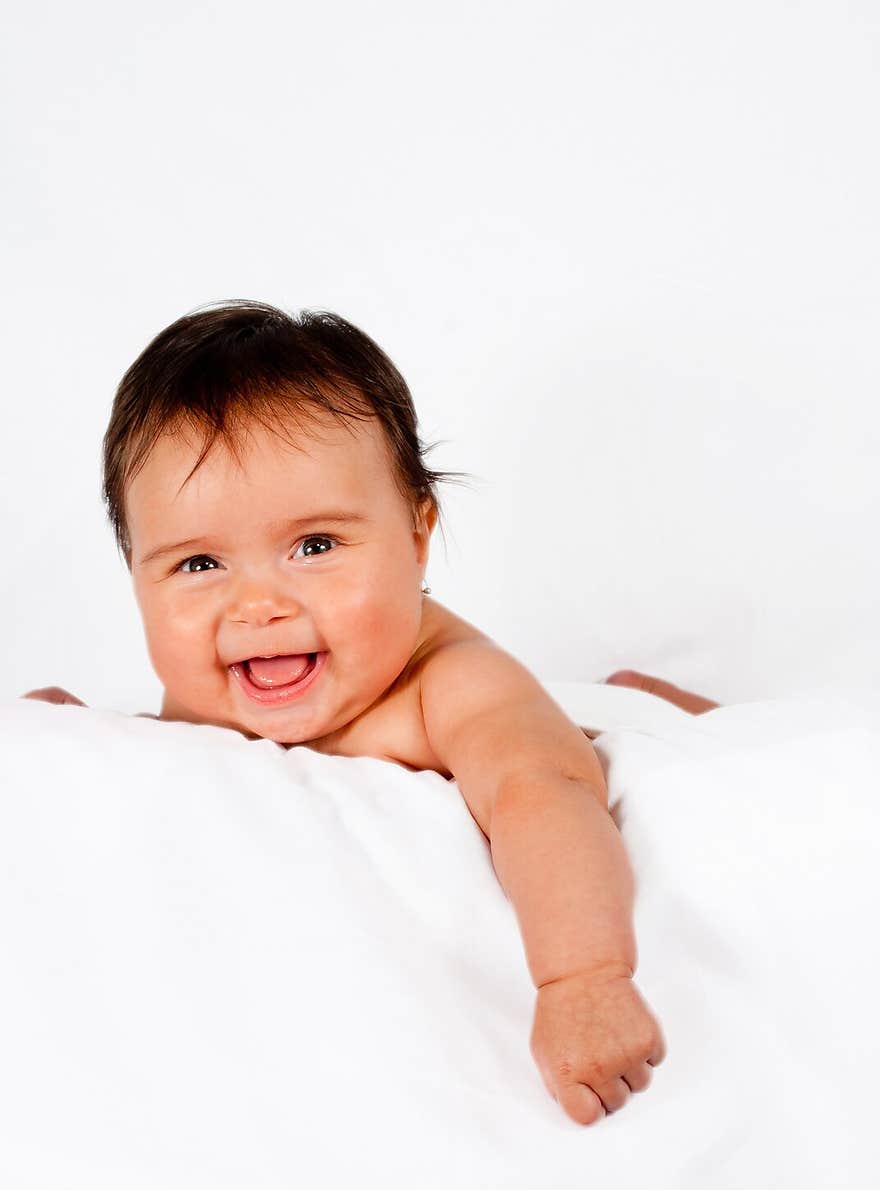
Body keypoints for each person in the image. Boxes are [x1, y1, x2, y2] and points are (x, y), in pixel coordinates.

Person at [20, 301, 719, 1127]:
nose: (257, 604)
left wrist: (584, 977)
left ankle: (649, 697)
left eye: (314, 545)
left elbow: (545, 789)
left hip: (550, 729)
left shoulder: (451, 684)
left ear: (418, 536)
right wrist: (79, 736)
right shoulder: (211, 689)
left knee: (630, 731)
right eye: (200, 562)